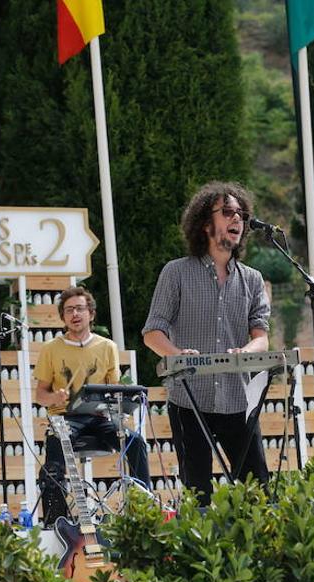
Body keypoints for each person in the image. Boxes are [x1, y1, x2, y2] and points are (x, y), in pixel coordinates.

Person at [142, 181, 271, 505]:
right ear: (204, 224)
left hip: (236, 399)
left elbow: (262, 337)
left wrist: (246, 352)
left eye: (241, 213)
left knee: (258, 490)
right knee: (197, 493)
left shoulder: (252, 279)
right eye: (227, 212)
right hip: (189, 400)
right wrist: (177, 355)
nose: (237, 219)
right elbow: (152, 332)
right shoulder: (176, 273)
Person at [34, 286, 150, 520]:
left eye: (79, 308)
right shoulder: (50, 349)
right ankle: (56, 519)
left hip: (99, 417)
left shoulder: (107, 347)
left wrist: (119, 410)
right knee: (55, 450)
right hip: (64, 418)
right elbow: (40, 396)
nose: (75, 314)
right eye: (69, 310)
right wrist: (55, 397)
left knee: (135, 442)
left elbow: (114, 388)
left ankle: (143, 511)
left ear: (91, 314)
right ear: (63, 317)